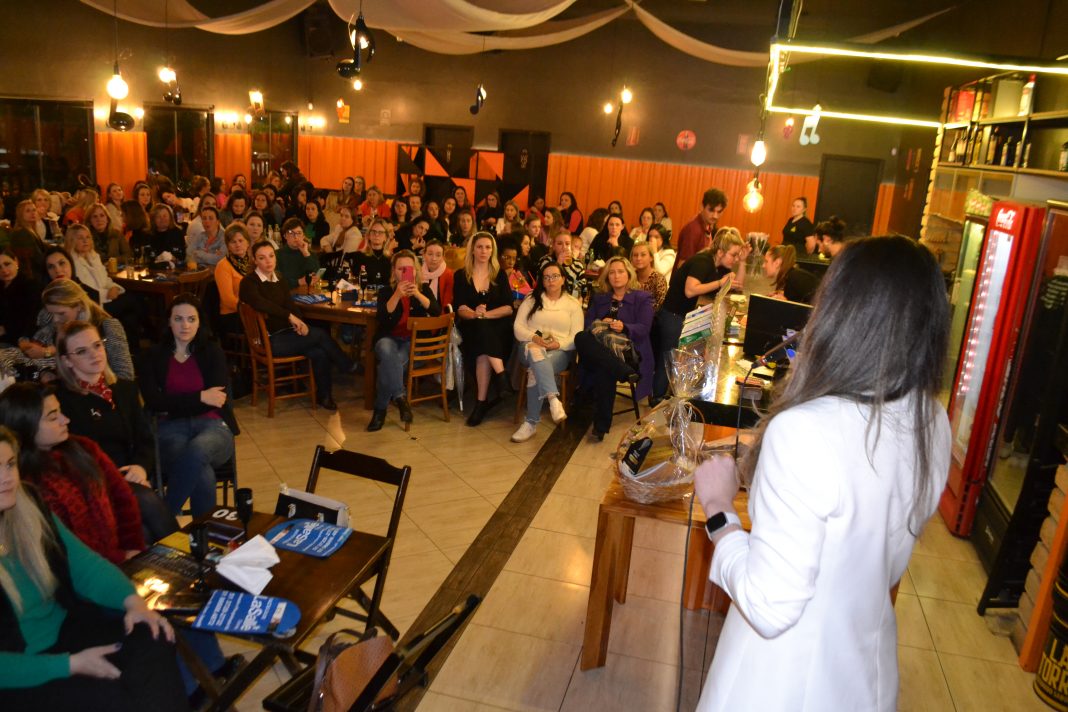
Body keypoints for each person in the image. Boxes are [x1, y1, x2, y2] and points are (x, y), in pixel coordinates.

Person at [692, 235, 952, 712]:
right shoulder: (932, 420)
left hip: (780, 683)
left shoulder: (803, 431)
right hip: (865, 674)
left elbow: (769, 605)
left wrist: (718, 508)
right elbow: (881, 555)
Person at [0, 426, 188, 711]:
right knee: (112, 696)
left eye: (10, 464)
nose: (7, 477)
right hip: (20, 672)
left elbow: (86, 567)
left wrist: (134, 603)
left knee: (153, 635)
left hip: (66, 631)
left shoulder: (27, 505)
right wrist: (69, 665)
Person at [0, 383, 143, 565]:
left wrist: (132, 549)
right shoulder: (20, 481)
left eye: (61, 411)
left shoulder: (83, 448)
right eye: (53, 417)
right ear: (26, 425)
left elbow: (123, 498)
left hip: (120, 557)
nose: (65, 420)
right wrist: (117, 560)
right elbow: (63, 549)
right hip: (82, 569)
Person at [138, 295, 238, 516]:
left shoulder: (213, 352)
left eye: (191, 319)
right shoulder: (152, 356)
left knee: (197, 450)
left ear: (199, 321)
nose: (185, 325)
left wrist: (173, 403)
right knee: (202, 472)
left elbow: (217, 399)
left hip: (214, 427)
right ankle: (203, 532)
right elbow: (154, 402)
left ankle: (164, 517)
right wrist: (201, 397)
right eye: (178, 319)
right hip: (170, 429)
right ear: (169, 321)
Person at [239, 241, 354, 411]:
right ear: (255, 261)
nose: (268, 261)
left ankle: (324, 396)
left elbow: (290, 304)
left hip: (288, 335)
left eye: (271, 256)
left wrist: (300, 322)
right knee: (320, 335)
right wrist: (290, 317)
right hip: (269, 340)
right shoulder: (249, 282)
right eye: (262, 258)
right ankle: (346, 364)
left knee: (320, 351)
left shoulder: (278, 278)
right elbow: (261, 304)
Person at [656, 228, 747, 400]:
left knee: (676, 361)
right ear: (720, 252)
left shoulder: (718, 265)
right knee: (667, 360)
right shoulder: (703, 261)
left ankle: (668, 398)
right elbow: (690, 290)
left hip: (684, 316)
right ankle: (657, 399)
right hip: (672, 315)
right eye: (734, 255)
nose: (735, 259)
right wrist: (719, 283)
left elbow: (737, 285)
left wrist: (742, 262)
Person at [575, 257, 654, 441]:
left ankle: (601, 426)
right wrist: (601, 323)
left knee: (604, 367)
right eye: (612, 272)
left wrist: (624, 327)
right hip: (603, 351)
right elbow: (588, 325)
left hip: (628, 352)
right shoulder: (600, 298)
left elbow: (644, 328)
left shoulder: (642, 298)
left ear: (629, 274)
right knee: (581, 337)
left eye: (620, 272)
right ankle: (621, 371)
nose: (616, 276)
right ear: (607, 276)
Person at [366, 251, 441, 432]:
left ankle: (380, 412)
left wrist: (418, 295)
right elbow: (382, 319)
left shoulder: (424, 290)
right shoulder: (386, 291)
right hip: (390, 339)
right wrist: (397, 296)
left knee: (387, 366)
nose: (405, 272)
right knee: (385, 347)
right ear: (394, 271)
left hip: (414, 344)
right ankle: (400, 397)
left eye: (409, 269)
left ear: (415, 271)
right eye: (401, 269)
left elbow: (436, 311)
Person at [510, 261, 583, 442]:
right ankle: (553, 399)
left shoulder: (573, 304)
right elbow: (517, 327)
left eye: (555, 276)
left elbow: (577, 336)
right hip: (529, 346)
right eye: (547, 277)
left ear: (563, 279)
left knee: (536, 368)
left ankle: (531, 423)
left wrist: (559, 344)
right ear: (542, 281)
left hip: (559, 351)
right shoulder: (531, 299)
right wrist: (534, 337)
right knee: (535, 352)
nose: (551, 280)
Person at [454, 232, 515, 426]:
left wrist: (485, 315)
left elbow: (508, 308)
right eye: (479, 247)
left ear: (492, 251)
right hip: (471, 327)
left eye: (488, 247)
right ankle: (501, 376)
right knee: (481, 334)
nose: (483, 251)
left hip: (498, 328)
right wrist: (475, 314)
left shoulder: (499, 274)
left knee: (483, 346)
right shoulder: (461, 275)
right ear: (472, 249)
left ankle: (481, 403)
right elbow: (460, 308)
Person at [63, 224, 140, 342]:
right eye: (80, 238)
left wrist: (114, 287)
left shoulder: (94, 257)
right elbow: (85, 290)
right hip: (93, 304)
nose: (85, 241)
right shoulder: (71, 262)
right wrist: (107, 294)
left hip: (106, 297)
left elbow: (106, 279)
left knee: (130, 316)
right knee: (133, 302)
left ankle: (131, 346)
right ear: (71, 241)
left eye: (88, 237)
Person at [674, 188, 727, 272]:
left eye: (719, 212)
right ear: (702, 207)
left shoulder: (708, 227)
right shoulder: (693, 229)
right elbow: (682, 265)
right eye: (711, 210)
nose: (715, 216)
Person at [214, 222, 252, 336]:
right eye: (233, 242)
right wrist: (251, 309)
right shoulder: (223, 266)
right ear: (228, 245)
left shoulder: (252, 262)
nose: (237, 245)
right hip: (232, 315)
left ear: (248, 242)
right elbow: (228, 300)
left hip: (251, 310)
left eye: (241, 241)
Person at [0, 249, 43, 345]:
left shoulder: (31, 286)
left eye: (7, 264)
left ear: (16, 261)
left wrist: (5, 328)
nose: (4, 270)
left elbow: (32, 320)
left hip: (22, 342)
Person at [275, 217, 320, 289]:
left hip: (308, 292)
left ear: (303, 235)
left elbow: (316, 275)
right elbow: (276, 280)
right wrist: (298, 282)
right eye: (291, 233)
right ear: (285, 236)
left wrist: (306, 254)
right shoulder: (276, 255)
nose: (295, 237)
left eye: (299, 233)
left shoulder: (309, 254)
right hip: (286, 292)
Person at [630, 242, 667, 311]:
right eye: (635, 255)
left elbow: (660, 306)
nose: (638, 258)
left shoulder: (658, 278)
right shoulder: (630, 276)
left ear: (651, 258)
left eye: (643, 255)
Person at [421, 239, 454, 310]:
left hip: (440, 314)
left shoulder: (449, 275)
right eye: (430, 254)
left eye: (438, 255)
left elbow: (447, 304)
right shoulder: (418, 273)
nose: (434, 259)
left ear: (443, 257)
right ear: (424, 255)